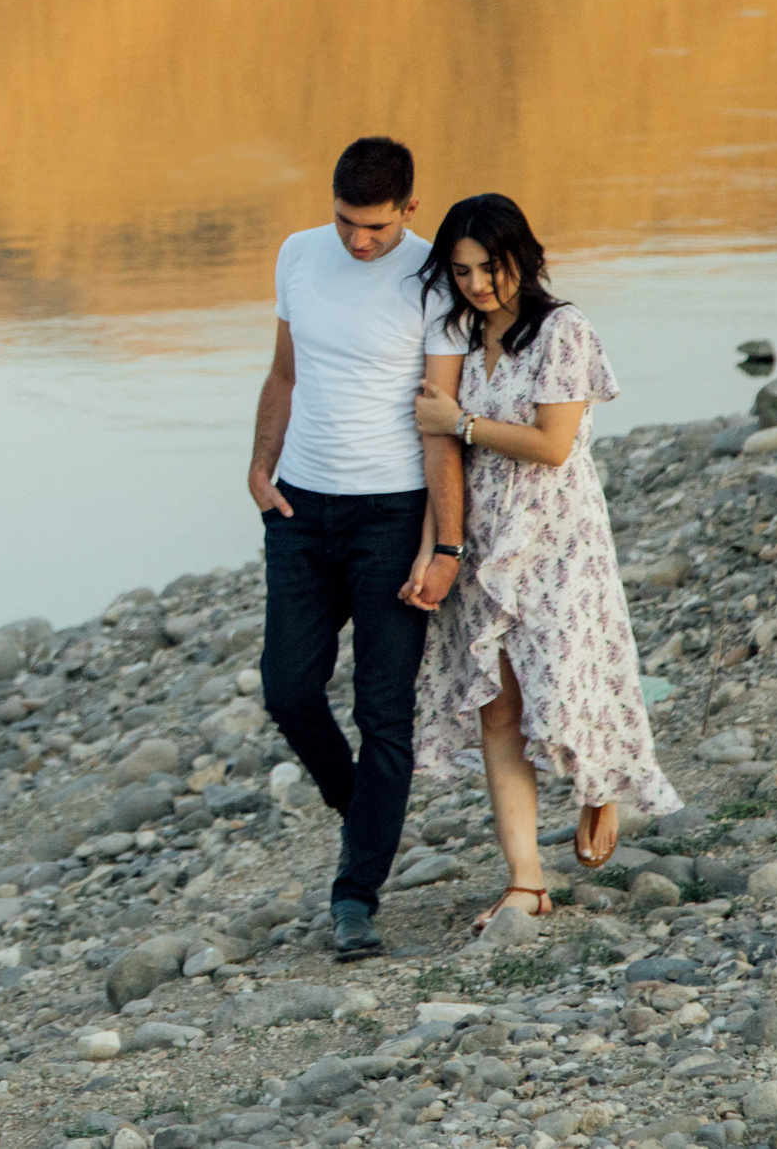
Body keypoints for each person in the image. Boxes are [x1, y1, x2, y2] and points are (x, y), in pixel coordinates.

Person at [405, 194, 680, 933]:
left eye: (489, 267)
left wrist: (459, 419)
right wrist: (436, 546)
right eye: (461, 270)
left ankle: (599, 785)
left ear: (522, 256)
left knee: (567, 680)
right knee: (499, 702)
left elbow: (554, 444)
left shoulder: (564, 330)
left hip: (558, 536)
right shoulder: (459, 339)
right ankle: (525, 879)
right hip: (486, 540)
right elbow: (446, 458)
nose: (476, 283)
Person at [249, 136, 467, 958]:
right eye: (346, 221)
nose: (357, 241)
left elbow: (440, 419)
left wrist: (443, 545)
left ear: (408, 208)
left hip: (390, 514)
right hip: (301, 510)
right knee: (288, 689)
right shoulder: (299, 255)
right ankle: (367, 809)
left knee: (384, 713)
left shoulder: (433, 277)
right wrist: (261, 463)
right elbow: (284, 372)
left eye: (374, 227)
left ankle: (356, 895)